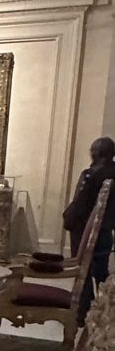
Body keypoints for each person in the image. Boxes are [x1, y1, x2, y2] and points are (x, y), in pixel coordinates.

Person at [62, 136, 115, 322]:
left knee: (82, 267)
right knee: (101, 271)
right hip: (106, 231)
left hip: (83, 228)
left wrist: (67, 218)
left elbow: (79, 204)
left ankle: (83, 309)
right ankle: (104, 309)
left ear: (95, 153)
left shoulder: (89, 175)